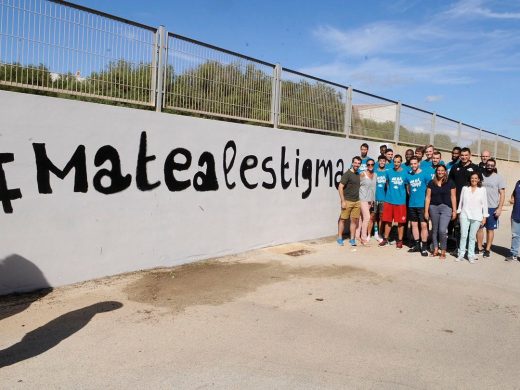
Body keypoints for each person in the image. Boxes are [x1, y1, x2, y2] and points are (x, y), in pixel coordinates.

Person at [425, 165, 457, 259]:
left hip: (446, 208)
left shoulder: (450, 182)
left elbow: (453, 197)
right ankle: (435, 249)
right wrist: (426, 211)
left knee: (442, 230)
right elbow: (428, 197)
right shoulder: (431, 183)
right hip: (433, 207)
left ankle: (443, 251)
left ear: (445, 172)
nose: (440, 172)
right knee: (434, 230)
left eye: (442, 170)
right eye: (438, 170)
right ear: (436, 172)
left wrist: (454, 211)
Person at [456, 173, 488, 263]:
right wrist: (459, 212)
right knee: (463, 235)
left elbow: (485, 204)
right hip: (464, 215)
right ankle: (461, 254)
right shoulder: (465, 188)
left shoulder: (482, 190)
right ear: (469, 179)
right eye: (472, 178)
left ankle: (470, 255)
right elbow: (461, 201)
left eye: (476, 178)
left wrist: (484, 216)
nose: (474, 180)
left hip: (477, 216)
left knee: (472, 237)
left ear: (479, 180)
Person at [477, 158, 506, 258]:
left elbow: (502, 194)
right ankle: (479, 247)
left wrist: (499, 208)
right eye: (488, 165)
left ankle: (487, 249)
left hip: (492, 207)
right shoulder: (481, 176)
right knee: (479, 228)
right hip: (480, 207)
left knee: (490, 229)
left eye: (491, 165)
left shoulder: (499, 178)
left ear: (494, 167)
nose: (489, 166)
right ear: (485, 165)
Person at [379, 155, 408, 249]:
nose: (396, 163)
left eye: (398, 162)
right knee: (387, 221)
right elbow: (387, 184)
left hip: (400, 202)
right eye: (395, 161)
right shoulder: (389, 172)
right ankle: (385, 239)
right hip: (389, 200)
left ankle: (399, 241)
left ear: (401, 162)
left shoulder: (405, 172)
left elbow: (408, 187)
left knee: (400, 223)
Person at [405, 157, 430, 256]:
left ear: (418, 163)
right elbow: (408, 189)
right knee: (414, 225)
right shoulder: (408, 176)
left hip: (422, 205)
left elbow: (429, 190)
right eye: (411, 164)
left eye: (415, 163)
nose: (413, 165)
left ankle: (424, 247)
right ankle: (417, 245)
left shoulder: (425, 174)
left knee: (424, 225)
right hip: (412, 204)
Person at [337, 156, 361, 247]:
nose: (357, 165)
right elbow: (340, 187)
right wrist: (343, 201)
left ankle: (352, 239)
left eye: (359, 163)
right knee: (342, 219)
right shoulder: (347, 174)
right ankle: (339, 238)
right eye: (355, 163)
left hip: (357, 201)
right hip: (347, 201)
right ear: (352, 163)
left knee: (354, 221)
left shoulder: (358, 174)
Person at [357, 158, 376, 245]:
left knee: (361, 218)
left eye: (372, 164)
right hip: (362, 198)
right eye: (368, 164)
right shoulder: (362, 174)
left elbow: (373, 188)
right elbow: (356, 185)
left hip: (370, 200)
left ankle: (357, 235)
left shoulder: (375, 175)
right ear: (366, 165)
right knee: (367, 218)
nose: (370, 166)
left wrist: (372, 200)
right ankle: (363, 238)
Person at [505, 179, 520, 262]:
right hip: (516, 214)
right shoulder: (518, 183)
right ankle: (513, 254)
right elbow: (514, 194)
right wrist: (512, 199)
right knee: (515, 235)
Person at [373, 155, 388, 242]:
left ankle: (380, 233)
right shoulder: (374, 172)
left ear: (385, 162)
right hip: (375, 198)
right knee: (374, 216)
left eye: (383, 161)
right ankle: (375, 232)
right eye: (380, 161)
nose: (382, 162)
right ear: (378, 162)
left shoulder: (387, 172)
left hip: (384, 198)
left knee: (382, 216)